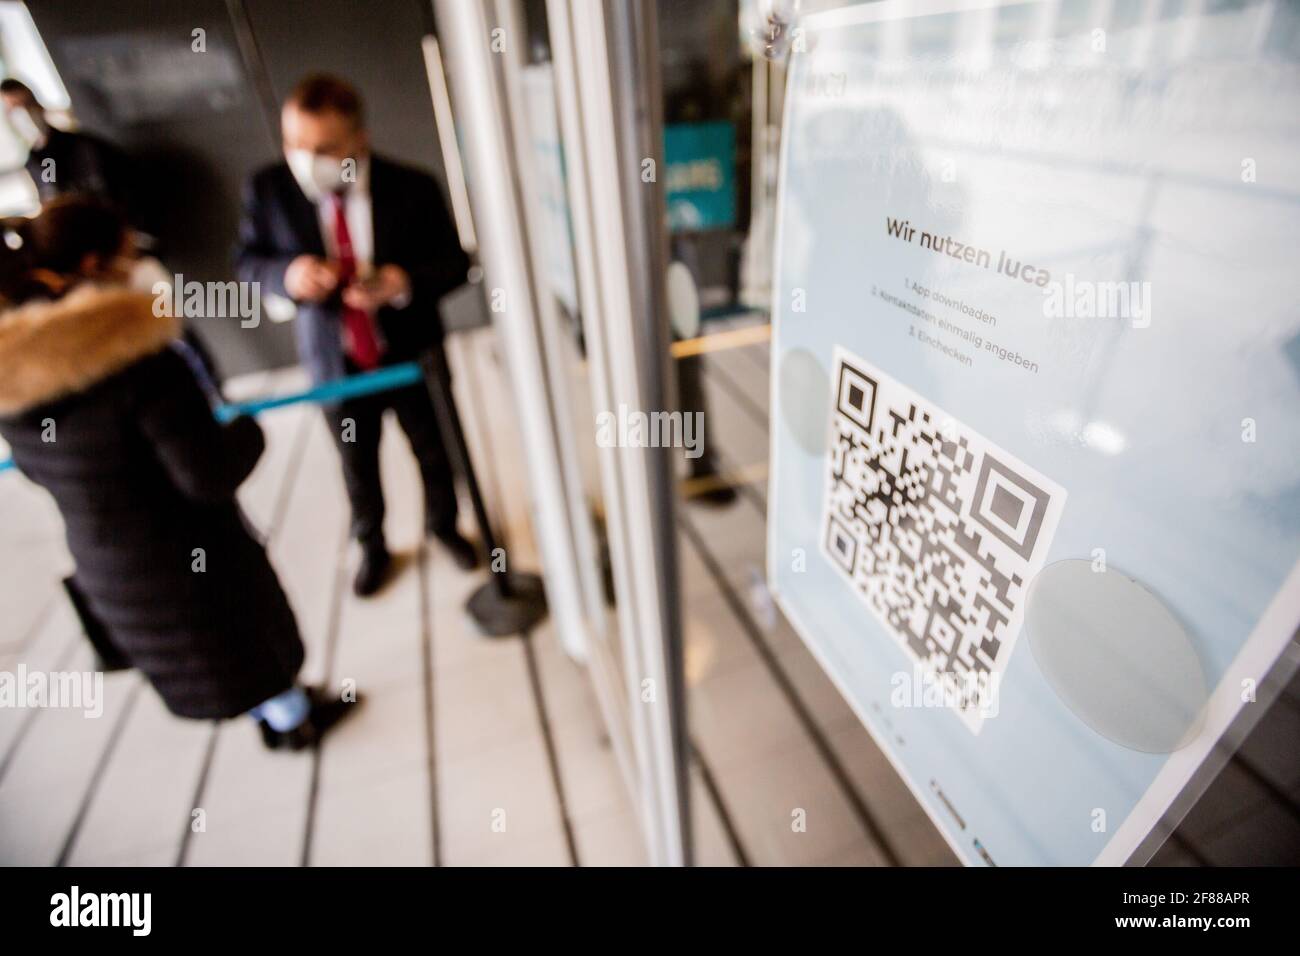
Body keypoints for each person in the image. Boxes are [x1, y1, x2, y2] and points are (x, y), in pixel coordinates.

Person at [0, 197, 356, 750]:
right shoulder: (140, 361)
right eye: (127, 251)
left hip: (109, 564)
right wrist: (246, 429)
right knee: (250, 650)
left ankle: (274, 718)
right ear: (96, 265)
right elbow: (208, 473)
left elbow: (40, 469)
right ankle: (294, 724)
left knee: (216, 663)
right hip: (192, 562)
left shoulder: (14, 376)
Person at [235, 74, 476, 597]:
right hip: (335, 363)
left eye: (322, 148)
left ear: (358, 140)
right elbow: (247, 264)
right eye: (294, 144)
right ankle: (373, 546)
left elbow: (456, 262)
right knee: (356, 464)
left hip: (411, 352)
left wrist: (402, 282)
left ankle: (445, 527)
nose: (306, 159)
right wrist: (288, 276)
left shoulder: (413, 185)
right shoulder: (268, 189)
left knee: (435, 451)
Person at [0, 78, 131, 209]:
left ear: (40, 106)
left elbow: (104, 194)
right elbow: (50, 196)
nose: (23, 114)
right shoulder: (35, 161)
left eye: (27, 105)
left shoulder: (82, 146)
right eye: (14, 108)